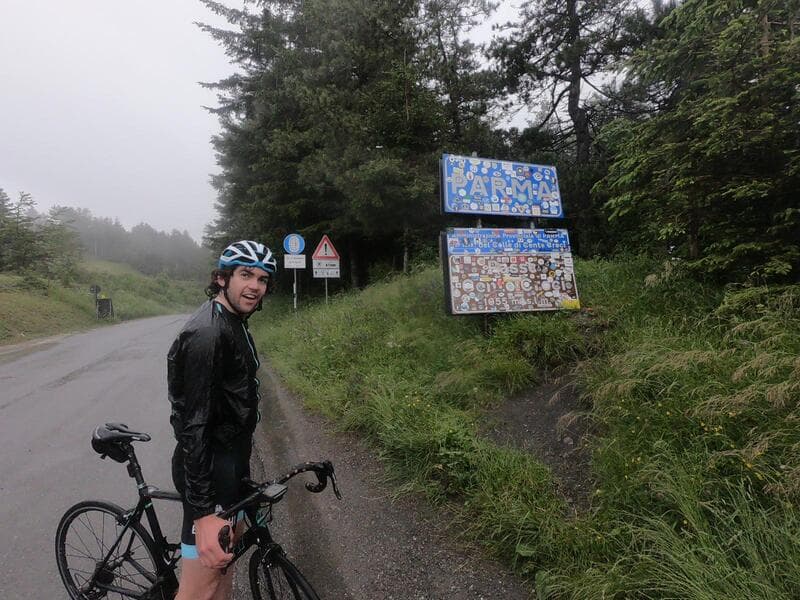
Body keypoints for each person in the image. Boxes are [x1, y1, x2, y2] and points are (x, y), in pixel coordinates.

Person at [167, 240, 276, 600]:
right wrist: (203, 513)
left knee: (222, 573)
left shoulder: (234, 321)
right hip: (207, 475)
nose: (254, 287)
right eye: (245, 275)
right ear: (221, 278)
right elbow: (193, 427)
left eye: (262, 279)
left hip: (229, 465)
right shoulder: (208, 334)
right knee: (198, 591)